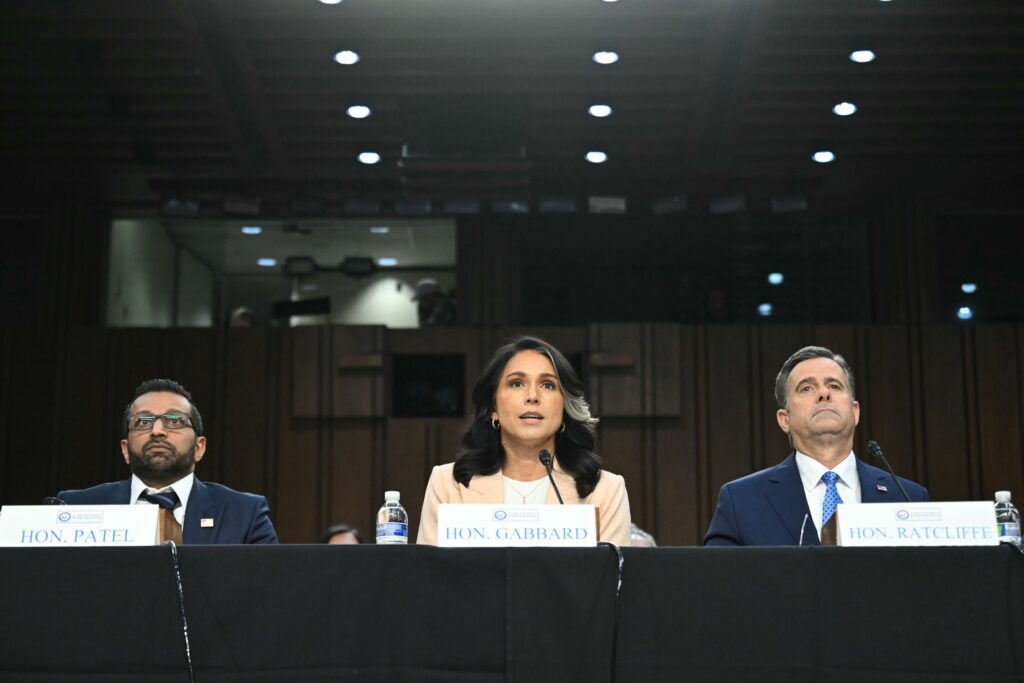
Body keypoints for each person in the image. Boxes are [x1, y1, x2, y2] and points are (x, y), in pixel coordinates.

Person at [417, 336, 632, 546]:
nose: (532, 396)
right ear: (493, 409)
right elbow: (430, 569)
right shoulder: (448, 484)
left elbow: (611, 571)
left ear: (565, 408)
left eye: (548, 385)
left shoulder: (604, 490)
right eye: (517, 383)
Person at [704, 346, 928, 546]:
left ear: (855, 412)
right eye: (806, 388)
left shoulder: (909, 497)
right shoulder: (742, 501)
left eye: (834, 385)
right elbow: (718, 578)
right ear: (784, 419)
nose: (824, 393)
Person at [58, 379, 278, 544]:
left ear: (199, 447)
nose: (157, 430)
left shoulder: (244, 514)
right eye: (143, 421)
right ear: (125, 450)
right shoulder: (74, 508)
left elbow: (269, 588)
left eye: (174, 420)